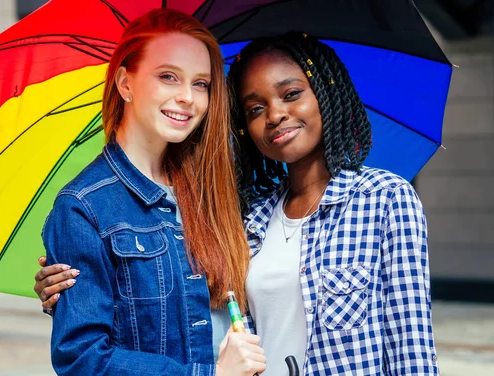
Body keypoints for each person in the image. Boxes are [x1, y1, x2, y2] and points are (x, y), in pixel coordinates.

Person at [36, 32, 439, 375]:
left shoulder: (384, 199)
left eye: (292, 94)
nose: (276, 115)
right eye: (255, 109)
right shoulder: (252, 215)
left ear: (324, 94)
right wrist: (77, 290)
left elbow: (412, 348)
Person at [40, 7, 266, 376]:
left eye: (200, 84)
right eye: (168, 77)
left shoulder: (213, 189)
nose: (188, 98)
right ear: (125, 84)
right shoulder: (83, 207)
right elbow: (83, 360)